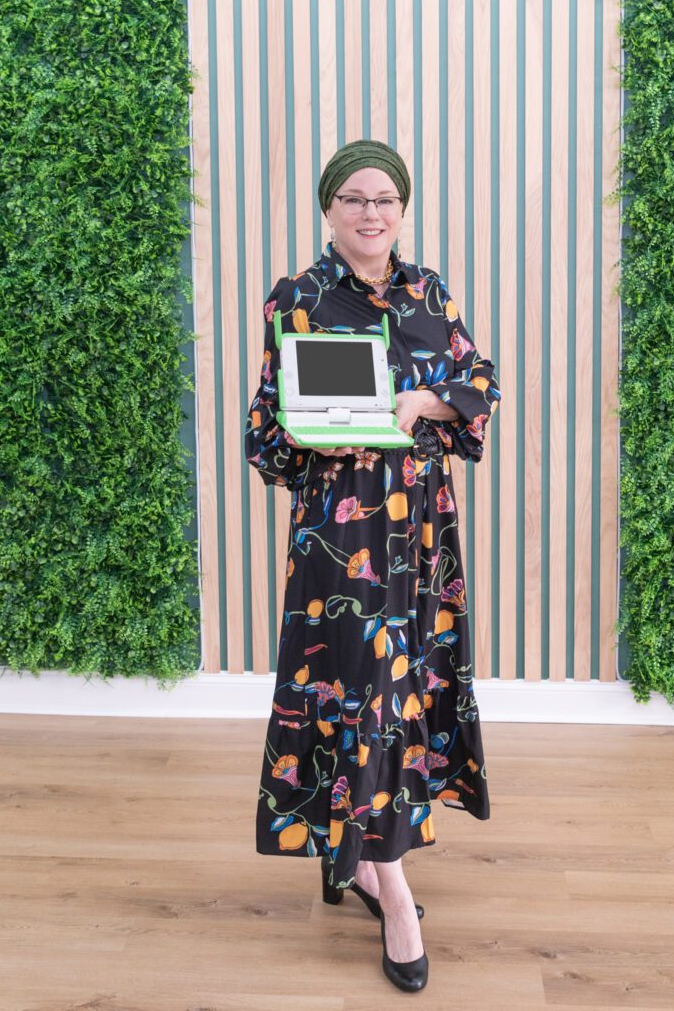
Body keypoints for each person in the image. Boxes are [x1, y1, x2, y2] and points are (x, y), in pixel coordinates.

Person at [244, 139, 500, 992]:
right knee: (355, 695)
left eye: (384, 199)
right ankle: (391, 892)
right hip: (338, 539)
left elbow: (478, 382)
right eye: (353, 198)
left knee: (402, 696)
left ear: (402, 209)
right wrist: (322, 435)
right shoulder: (299, 297)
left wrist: (426, 399)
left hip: (421, 535)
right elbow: (263, 432)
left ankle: (351, 855)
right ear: (328, 209)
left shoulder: (430, 290)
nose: (370, 213)